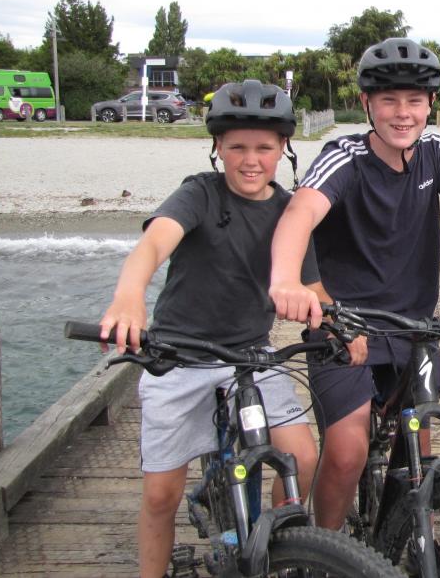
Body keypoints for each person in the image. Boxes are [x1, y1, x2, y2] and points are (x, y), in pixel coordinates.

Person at [268, 37, 440, 532]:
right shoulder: (343, 156)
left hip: (414, 326)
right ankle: (327, 551)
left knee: (418, 442)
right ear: (367, 103)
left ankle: (402, 537)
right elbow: (299, 212)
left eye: (415, 100)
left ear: (431, 104)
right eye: (388, 99)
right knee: (347, 450)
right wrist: (287, 279)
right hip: (342, 326)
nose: (402, 113)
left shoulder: (434, 153)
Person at [98, 80, 324, 578]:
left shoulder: (290, 213)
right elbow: (154, 245)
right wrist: (129, 296)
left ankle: (274, 542)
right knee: (161, 495)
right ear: (217, 148)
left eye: (264, 148)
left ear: (284, 148)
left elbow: (312, 286)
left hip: (251, 355)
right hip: (180, 358)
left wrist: (334, 317)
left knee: (303, 459)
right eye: (236, 147)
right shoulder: (198, 193)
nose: (250, 160)